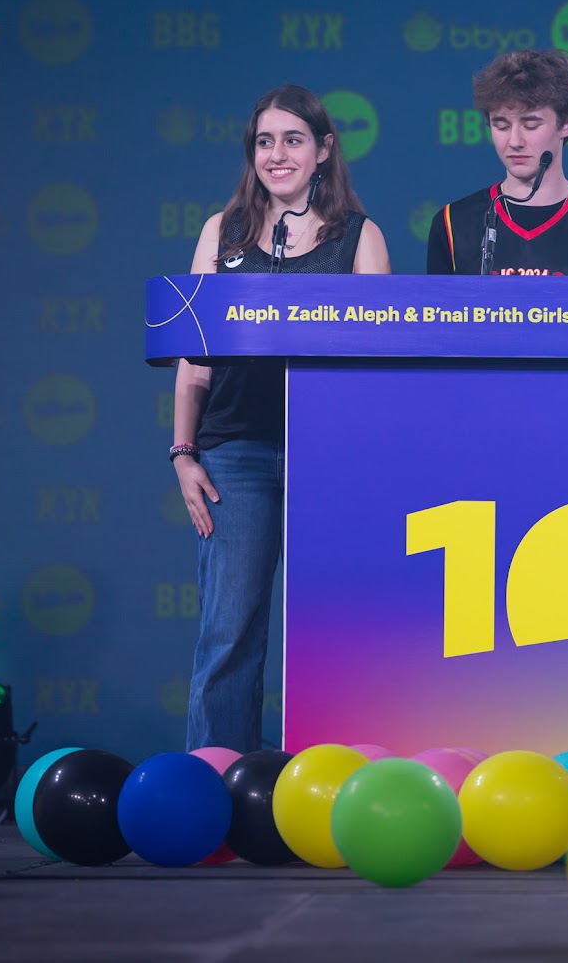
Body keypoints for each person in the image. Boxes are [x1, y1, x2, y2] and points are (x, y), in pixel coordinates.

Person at [171, 84, 391, 753]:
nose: (277, 154)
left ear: (324, 149)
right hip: (234, 452)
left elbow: (379, 367)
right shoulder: (223, 232)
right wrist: (183, 453)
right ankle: (215, 794)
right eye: (265, 141)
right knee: (228, 631)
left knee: (332, 637)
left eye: (293, 139)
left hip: (330, 457)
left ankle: (334, 794)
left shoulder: (360, 237)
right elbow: (195, 361)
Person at [427, 49, 568, 275]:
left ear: (566, 123)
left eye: (530, 125)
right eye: (501, 125)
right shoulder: (452, 225)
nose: (514, 141)